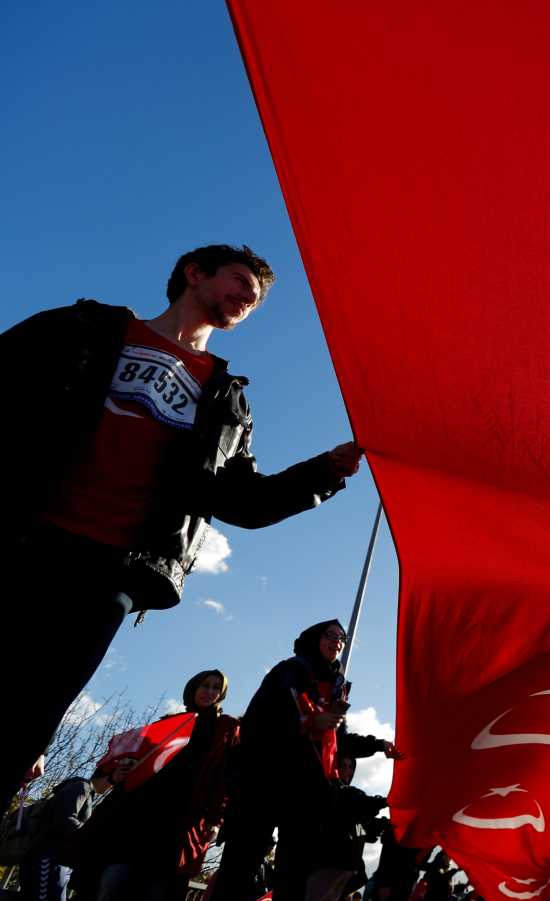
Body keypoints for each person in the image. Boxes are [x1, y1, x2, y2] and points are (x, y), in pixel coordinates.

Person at [0, 245, 365, 800]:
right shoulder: (86, 328)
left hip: (115, 573)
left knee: (28, 721)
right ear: (194, 274)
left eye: (257, 297)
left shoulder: (226, 400)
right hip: (26, 538)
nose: (249, 298)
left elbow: (244, 502)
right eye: (241, 281)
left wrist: (327, 470)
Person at [180, 621, 398, 901]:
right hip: (263, 784)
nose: (338, 642)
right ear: (314, 640)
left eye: (342, 638)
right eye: (331, 636)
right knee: (236, 878)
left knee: (293, 885)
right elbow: (262, 721)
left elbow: (337, 740)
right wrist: (304, 722)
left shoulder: (337, 687)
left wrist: (378, 744)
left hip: (305, 794)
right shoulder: (289, 672)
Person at [70, 671, 238, 901]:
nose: (210, 692)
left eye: (216, 688)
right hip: (134, 826)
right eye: (205, 685)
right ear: (193, 689)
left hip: (175, 834)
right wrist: (120, 773)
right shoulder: (169, 723)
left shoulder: (225, 729)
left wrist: (215, 819)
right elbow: (135, 764)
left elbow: (226, 780)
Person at [1, 764, 114, 901]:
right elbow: (65, 820)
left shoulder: (88, 793)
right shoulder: (81, 786)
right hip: (46, 859)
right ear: (108, 773)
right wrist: (92, 835)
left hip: (57, 863)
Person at [284, 758, 386, 901]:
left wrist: (377, 826)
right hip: (327, 863)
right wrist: (385, 801)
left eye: (351, 767)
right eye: (343, 765)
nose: (347, 770)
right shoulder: (333, 792)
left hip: (344, 868)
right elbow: (350, 809)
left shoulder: (351, 800)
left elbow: (362, 831)